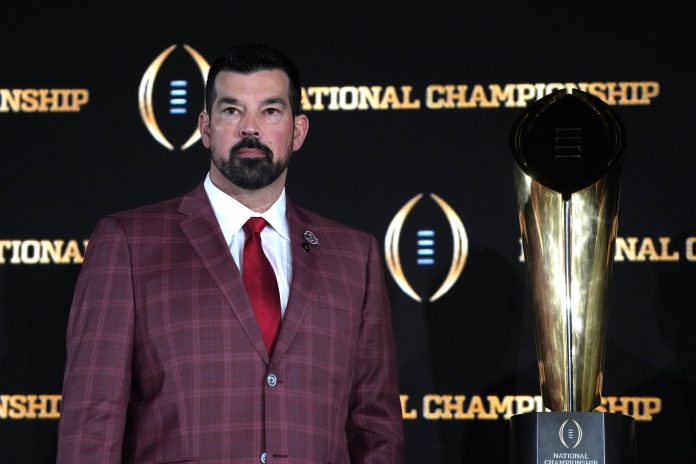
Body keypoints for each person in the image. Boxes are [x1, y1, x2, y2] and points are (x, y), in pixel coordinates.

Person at [56, 43, 404, 463]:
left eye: (270, 111)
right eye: (231, 110)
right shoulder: (128, 243)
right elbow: (92, 423)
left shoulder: (354, 256)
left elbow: (376, 428)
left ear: (298, 131)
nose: (250, 128)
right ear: (205, 127)